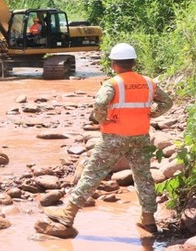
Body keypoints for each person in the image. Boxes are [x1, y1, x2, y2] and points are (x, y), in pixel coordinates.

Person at [42, 43, 173, 233]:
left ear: (113, 64)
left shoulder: (112, 84)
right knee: (143, 176)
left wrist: (103, 120)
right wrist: (150, 114)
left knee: (92, 173)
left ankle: (68, 214)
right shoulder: (148, 82)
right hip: (140, 136)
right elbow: (167, 102)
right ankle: (148, 219)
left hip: (114, 137)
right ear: (134, 63)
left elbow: (100, 103)